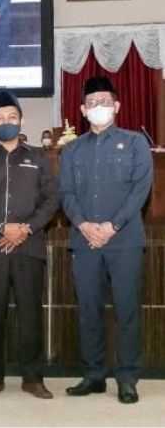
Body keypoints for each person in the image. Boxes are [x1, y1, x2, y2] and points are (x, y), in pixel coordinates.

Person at [60, 76, 153, 404]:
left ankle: (127, 378)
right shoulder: (71, 150)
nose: (98, 107)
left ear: (116, 106)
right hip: (84, 241)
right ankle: (94, 374)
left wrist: (113, 226)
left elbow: (141, 189)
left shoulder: (135, 143)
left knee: (127, 311)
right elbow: (66, 193)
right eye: (92, 103)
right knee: (89, 310)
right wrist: (84, 225)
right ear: (83, 110)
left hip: (125, 240)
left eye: (104, 101)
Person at [0, 91, 58, 399]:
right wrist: (2, 226)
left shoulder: (38, 157)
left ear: (21, 121)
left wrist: (25, 228)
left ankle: (33, 378)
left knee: (31, 315)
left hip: (29, 247)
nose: (6, 122)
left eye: (12, 117)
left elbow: (51, 199)